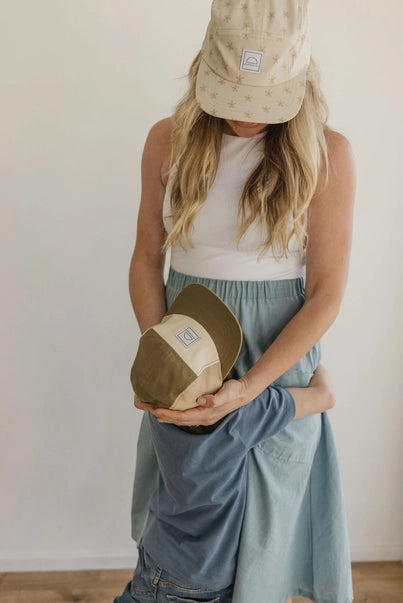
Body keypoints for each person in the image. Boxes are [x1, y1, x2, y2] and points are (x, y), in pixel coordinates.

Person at [127, 1, 356, 602]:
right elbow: (147, 259)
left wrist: (252, 387)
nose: (247, 117)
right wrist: (163, 358)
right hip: (191, 357)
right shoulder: (167, 140)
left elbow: (326, 293)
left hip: (275, 365)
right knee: (192, 540)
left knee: (265, 550)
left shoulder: (328, 155)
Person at [114, 365, 335, 603]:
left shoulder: (160, 412)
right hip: (207, 577)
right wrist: (314, 366)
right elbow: (325, 396)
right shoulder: (243, 415)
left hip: (156, 555)